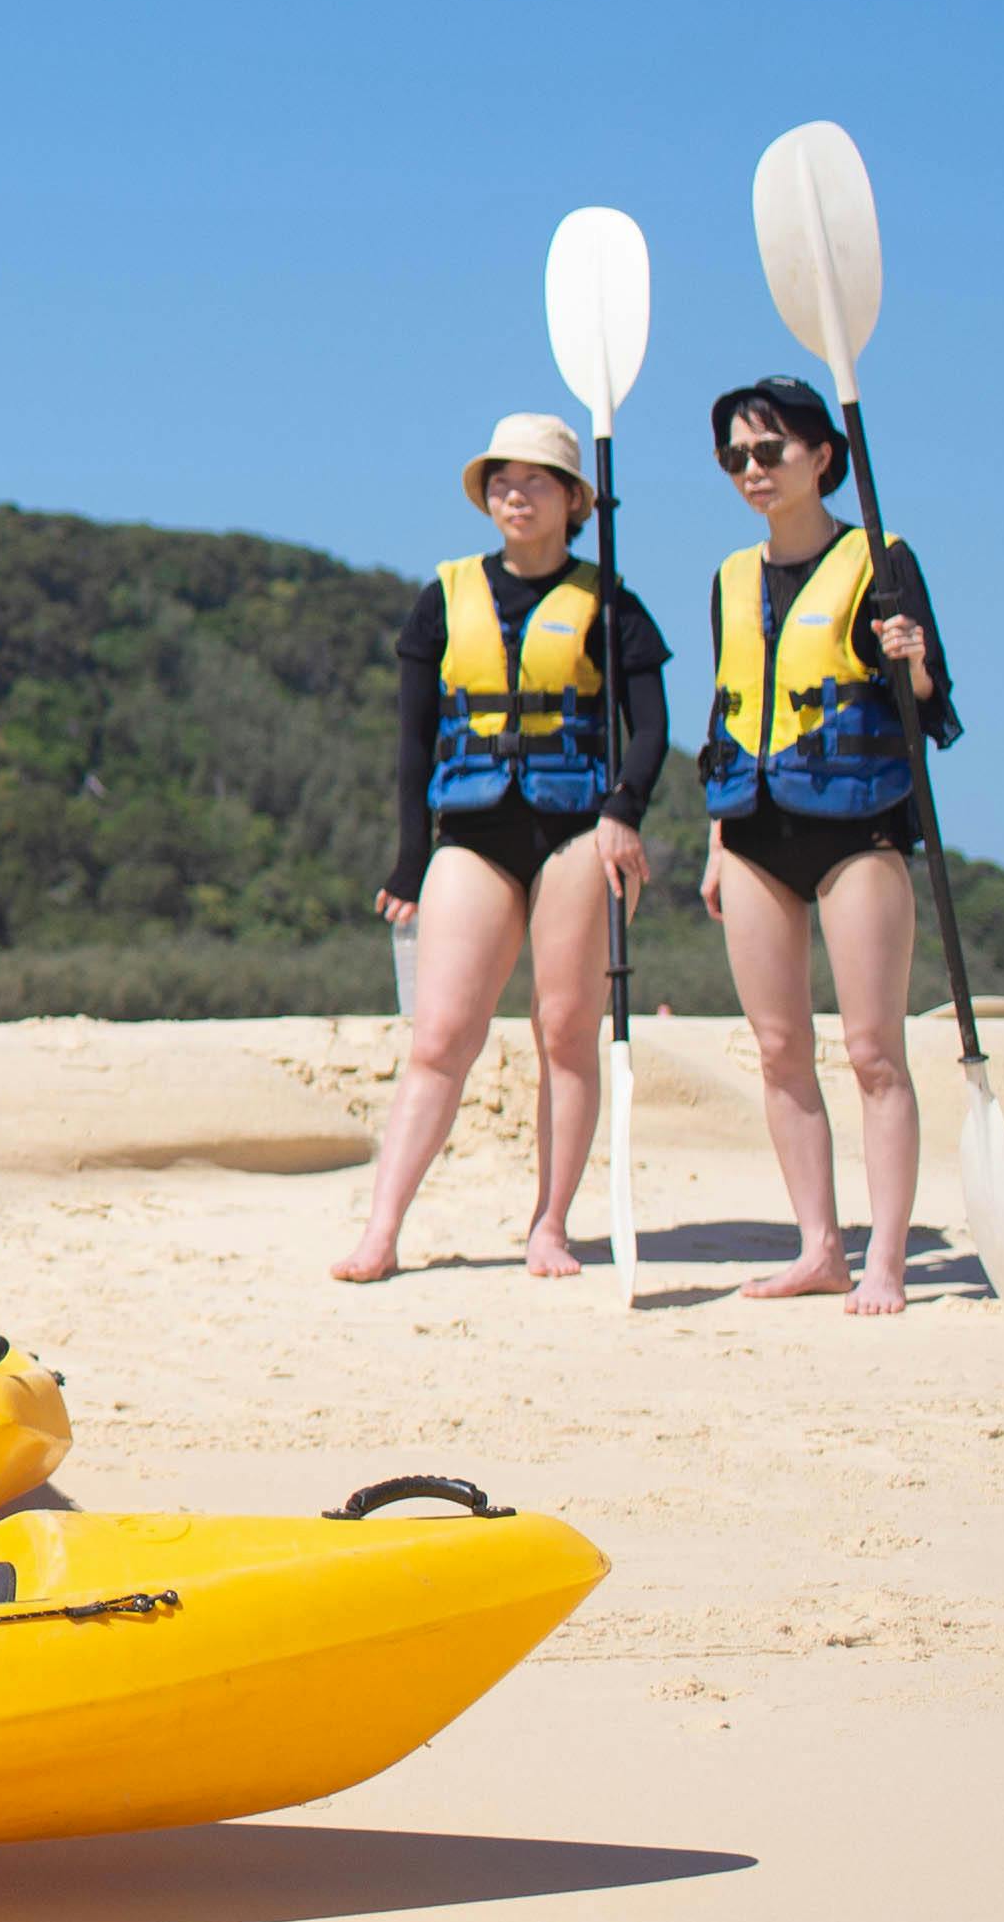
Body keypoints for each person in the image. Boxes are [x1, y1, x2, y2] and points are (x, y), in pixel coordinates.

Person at [331, 415, 668, 1286]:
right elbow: (412, 745)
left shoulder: (611, 603)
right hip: (471, 831)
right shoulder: (443, 598)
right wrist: (409, 862)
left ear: (574, 501)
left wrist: (625, 810)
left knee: (564, 1030)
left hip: (575, 830)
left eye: (538, 481)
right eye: (503, 481)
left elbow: (650, 729)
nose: (516, 495)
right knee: (442, 1033)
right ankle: (382, 1228)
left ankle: (550, 1224)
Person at [696, 374, 957, 1313]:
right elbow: (726, 714)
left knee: (873, 1049)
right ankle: (821, 1247)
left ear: (822, 457)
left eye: (769, 452)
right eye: (735, 457)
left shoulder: (882, 562)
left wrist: (913, 663)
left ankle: (884, 1255)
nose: (752, 471)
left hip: (859, 829)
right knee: (778, 1047)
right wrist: (718, 840)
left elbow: (933, 710)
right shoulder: (729, 578)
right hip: (756, 829)